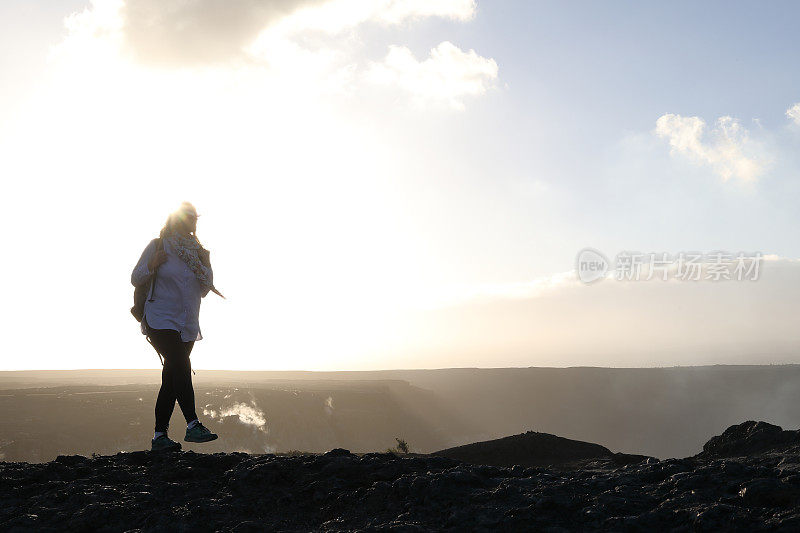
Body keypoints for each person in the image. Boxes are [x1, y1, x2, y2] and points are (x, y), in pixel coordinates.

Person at [131, 201, 224, 451]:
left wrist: (206, 263)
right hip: (160, 318)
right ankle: (193, 424)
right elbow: (135, 277)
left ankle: (159, 437)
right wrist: (152, 265)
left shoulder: (198, 252)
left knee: (172, 378)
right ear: (177, 220)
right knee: (181, 364)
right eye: (190, 217)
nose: (193, 222)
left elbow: (205, 289)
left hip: (187, 323)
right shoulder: (158, 246)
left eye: (195, 218)